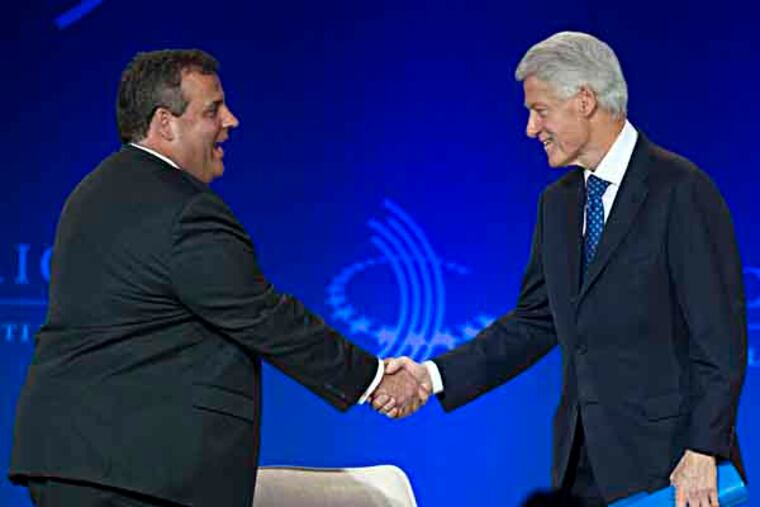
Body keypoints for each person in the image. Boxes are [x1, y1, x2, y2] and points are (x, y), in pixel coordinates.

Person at [9, 49, 429, 507]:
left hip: (73, 461)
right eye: (213, 110)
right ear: (165, 123)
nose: (231, 120)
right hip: (134, 471)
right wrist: (374, 379)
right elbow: (262, 315)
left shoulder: (93, 192)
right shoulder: (181, 207)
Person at [377, 31, 747, 506]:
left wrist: (704, 449)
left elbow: (720, 339)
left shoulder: (681, 190)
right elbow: (535, 320)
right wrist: (432, 376)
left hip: (672, 468)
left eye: (540, 110)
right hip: (583, 467)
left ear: (585, 100)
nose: (531, 128)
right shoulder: (558, 205)